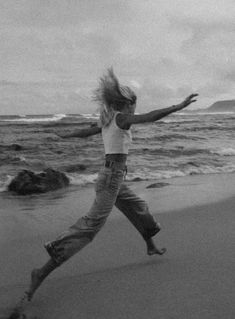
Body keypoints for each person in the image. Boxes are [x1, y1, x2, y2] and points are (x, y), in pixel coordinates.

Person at [25, 68, 198, 301]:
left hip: (112, 177)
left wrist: (65, 136)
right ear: (129, 105)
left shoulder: (108, 120)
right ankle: (41, 272)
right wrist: (177, 107)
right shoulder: (121, 118)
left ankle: (150, 245)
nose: (134, 111)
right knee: (91, 227)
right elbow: (149, 117)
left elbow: (88, 132)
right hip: (111, 178)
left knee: (137, 207)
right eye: (134, 106)